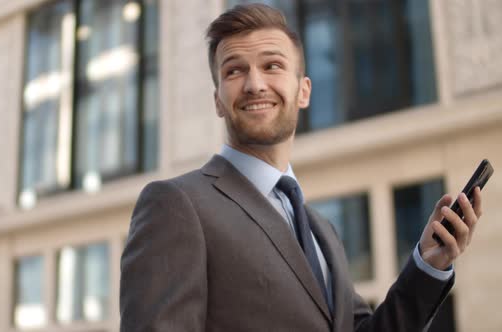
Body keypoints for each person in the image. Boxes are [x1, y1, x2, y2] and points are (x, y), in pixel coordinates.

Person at [120, 4, 483, 331]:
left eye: (272, 66)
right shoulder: (176, 205)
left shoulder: (321, 231)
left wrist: (428, 265)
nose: (254, 84)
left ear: (304, 90)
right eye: (233, 71)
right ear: (218, 100)